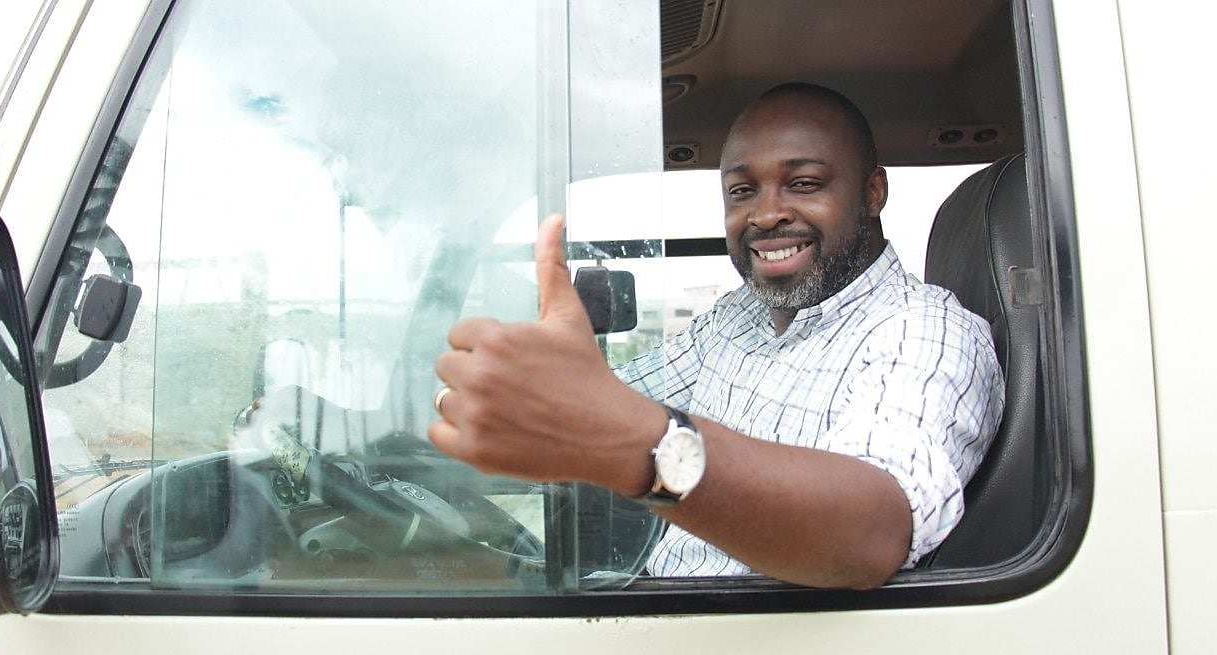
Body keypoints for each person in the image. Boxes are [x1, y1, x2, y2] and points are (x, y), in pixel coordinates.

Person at [429, 83, 1004, 589]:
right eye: (742, 191)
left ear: (873, 193)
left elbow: (872, 531)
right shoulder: (735, 320)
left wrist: (642, 447)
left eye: (803, 183)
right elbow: (599, 401)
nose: (766, 214)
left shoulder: (925, 333)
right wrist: (506, 392)